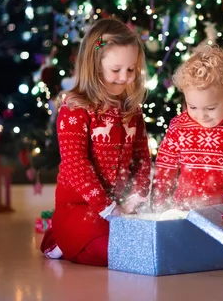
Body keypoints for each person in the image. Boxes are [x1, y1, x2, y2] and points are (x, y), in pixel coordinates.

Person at [40, 18, 151, 266]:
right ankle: (58, 237)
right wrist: (106, 206)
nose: (124, 78)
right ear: (95, 65)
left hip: (120, 207)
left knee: (145, 242)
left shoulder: (132, 110)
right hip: (80, 207)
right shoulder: (75, 109)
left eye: (131, 69)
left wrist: (137, 196)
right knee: (116, 251)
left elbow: (142, 158)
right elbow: (75, 163)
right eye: (116, 70)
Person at [152, 44, 223, 211]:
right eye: (192, 107)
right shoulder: (179, 126)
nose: (201, 115)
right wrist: (159, 209)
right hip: (184, 212)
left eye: (211, 108)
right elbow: (164, 173)